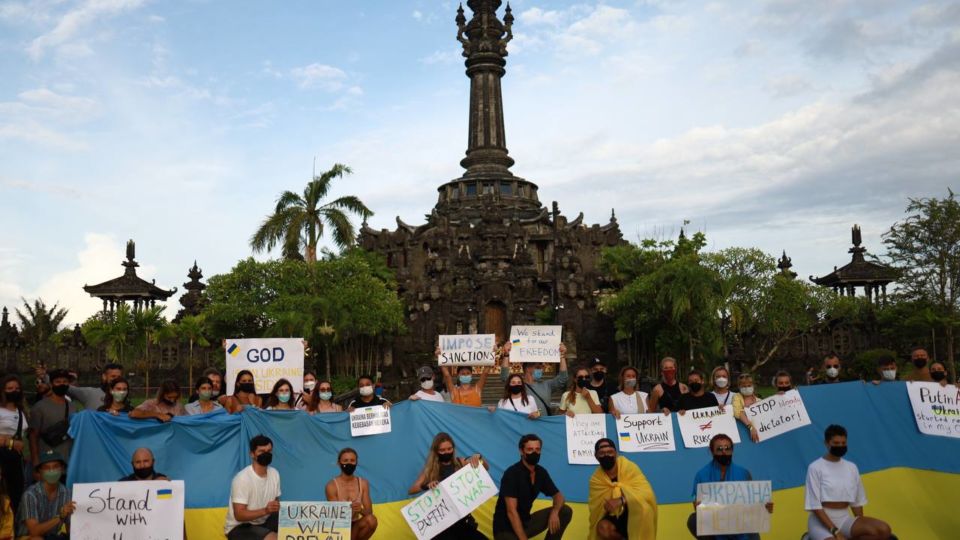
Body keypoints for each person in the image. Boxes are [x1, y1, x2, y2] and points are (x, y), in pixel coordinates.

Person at [805, 425, 894, 540]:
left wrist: (861, 525)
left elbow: (857, 501)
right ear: (826, 443)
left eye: (843, 443)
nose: (840, 446)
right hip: (820, 523)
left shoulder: (852, 467)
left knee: (884, 530)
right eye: (836, 443)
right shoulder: (815, 468)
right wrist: (834, 530)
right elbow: (815, 506)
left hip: (844, 519)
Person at [687, 433, 773, 540]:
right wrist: (698, 506)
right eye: (719, 449)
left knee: (752, 528)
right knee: (693, 520)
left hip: (741, 527)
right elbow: (698, 506)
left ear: (732, 450)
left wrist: (765, 508)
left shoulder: (744, 473)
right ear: (711, 451)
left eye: (727, 448)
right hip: (715, 526)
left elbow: (753, 505)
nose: (724, 452)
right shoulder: (701, 475)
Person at [492, 433, 572, 540]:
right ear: (521, 451)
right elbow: (511, 512)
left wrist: (555, 512)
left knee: (565, 511)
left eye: (537, 449)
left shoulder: (541, 472)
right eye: (530, 449)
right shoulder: (512, 473)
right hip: (505, 529)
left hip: (526, 522)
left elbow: (559, 496)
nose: (534, 453)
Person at [407, 433, 488, 540]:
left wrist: (479, 457)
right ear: (436, 451)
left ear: (453, 449)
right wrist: (427, 485)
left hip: (462, 520)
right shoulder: (430, 469)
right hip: (442, 524)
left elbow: (485, 468)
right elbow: (411, 490)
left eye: (449, 449)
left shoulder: (461, 462)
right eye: (442, 450)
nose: (446, 452)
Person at [589, 438, 657, 540]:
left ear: (616, 453)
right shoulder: (596, 479)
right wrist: (607, 506)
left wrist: (621, 500)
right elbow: (596, 509)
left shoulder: (629, 467)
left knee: (645, 510)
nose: (606, 455)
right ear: (596, 456)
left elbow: (647, 493)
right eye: (602, 453)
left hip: (635, 511)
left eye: (610, 452)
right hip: (614, 516)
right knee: (603, 528)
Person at [225, 435, 281, 540]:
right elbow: (239, 515)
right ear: (252, 454)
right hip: (240, 527)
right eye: (261, 451)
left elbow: (276, 504)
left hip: (264, 522)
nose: (266, 454)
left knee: (292, 525)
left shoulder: (275, 474)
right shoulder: (242, 478)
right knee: (273, 538)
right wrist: (266, 510)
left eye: (269, 451)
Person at [499, 342, 569, 417]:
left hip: (543, 425)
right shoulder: (518, 386)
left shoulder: (547, 385)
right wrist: (506, 355)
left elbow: (563, 378)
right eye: (538, 367)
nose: (541, 370)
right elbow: (504, 377)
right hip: (526, 426)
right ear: (528, 368)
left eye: (541, 368)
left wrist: (562, 356)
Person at [17, 450, 74, 540]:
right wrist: (60, 516)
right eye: (47, 468)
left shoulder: (68, 493)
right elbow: (34, 532)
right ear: (40, 471)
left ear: (62, 468)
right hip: (29, 537)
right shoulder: (30, 495)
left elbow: (70, 528)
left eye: (55, 467)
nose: (51, 471)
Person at [325, 448, 377, 540]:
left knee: (371, 520)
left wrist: (360, 510)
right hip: (339, 527)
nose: (349, 463)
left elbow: (369, 513)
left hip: (355, 525)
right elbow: (335, 516)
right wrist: (346, 509)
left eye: (352, 460)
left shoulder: (363, 483)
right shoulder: (331, 485)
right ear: (339, 463)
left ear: (356, 463)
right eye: (345, 460)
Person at [29, 369, 76, 468]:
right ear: (51, 384)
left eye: (65, 382)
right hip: (47, 462)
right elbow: (33, 436)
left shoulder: (73, 407)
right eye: (58, 382)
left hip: (68, 462)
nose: (62, 384)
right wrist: (35, 462)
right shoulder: (39, 407)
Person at [36, 362, 123, 411]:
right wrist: (44, 376)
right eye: (113, 376)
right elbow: (66, 387)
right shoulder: (90, 393)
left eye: (119, 377)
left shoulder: (123, 397)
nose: (116, 380)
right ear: (104, 377)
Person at [0, 375, 27, 516]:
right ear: (3, 390)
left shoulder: (21, 411)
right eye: (10, 388)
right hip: (2, 457)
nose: (14, 391)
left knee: (15, 496)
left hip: (15, 460)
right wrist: (10, 442)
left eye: (17, 388)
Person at [732, 373, 761, 443]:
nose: (747, 388)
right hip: (742, 434)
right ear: (739, 387)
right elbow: (737, 412)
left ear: (753, 386)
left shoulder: (759, 401)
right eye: (744, 386)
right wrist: (751, 427)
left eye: (749, 385)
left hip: (760, 434)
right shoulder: (737, 397)